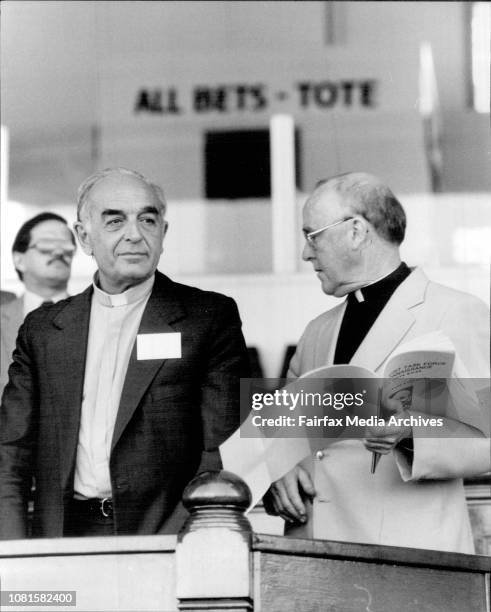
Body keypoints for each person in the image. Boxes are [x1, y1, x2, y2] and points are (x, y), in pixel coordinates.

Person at [0, 167, 249, 539]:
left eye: (148, 219)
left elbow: (221, 450)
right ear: (84, 237)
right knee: (48, 603)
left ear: (163, 233)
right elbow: (10, 455)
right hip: (61, 539)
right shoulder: (44, 329)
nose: (135, 234)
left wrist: (179, 543)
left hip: (168, 540)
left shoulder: (208, 319)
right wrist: (13, 556)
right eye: (115, 221)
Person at [264, 172, 490, 553]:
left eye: (312, 235)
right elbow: (280, 437)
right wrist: (278, 473)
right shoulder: (316, 331)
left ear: (355, 231)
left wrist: (412, 434)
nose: (305, 253)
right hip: (313, 553)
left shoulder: (456, 312)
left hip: (406, 556)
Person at [0, 212, 76, 396]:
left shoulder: (94, 317)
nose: (58, 253)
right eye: (46, 246)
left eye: (66, 247)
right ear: (19, 260)